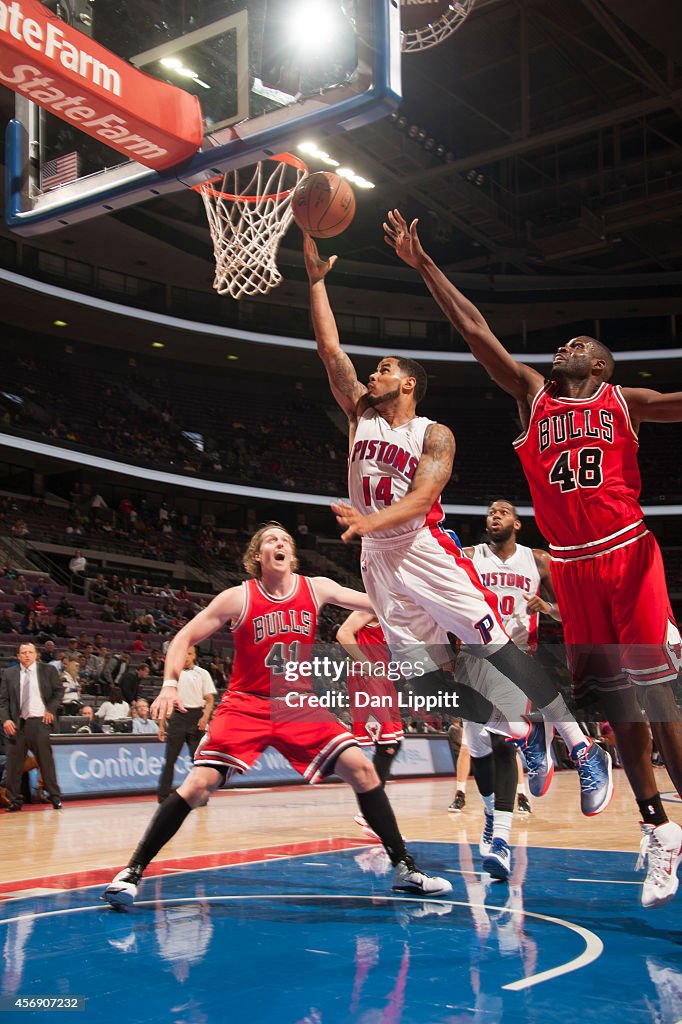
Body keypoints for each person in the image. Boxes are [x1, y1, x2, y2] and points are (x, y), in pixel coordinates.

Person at [384, 207, 682, 908]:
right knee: (618, 710)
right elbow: (475, 330)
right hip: (574, 569)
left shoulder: (624, 400)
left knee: (657, 699)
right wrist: (424, 263)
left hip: (628, 553)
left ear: (599, 364)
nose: (561, 350)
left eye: (575, 344)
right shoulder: (529, 397)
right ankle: (658, 830)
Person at [303, 234, 612, 820]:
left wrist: (370, 519)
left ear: (410, 383)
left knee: (491, 645)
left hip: (422, 549)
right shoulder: (360, 414)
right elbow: (328, 350)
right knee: (423, 687)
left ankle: (581, 745)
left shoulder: (434, 433)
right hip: (377, 561)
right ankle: (517, 730)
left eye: (386, 369)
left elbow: (422, 500)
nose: (374, 374)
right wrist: (317, 279)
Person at [103, 523, 451, 907]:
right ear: (258, 556)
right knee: (198, 785)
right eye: (271, 539)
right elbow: (183, 637)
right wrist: (169, 684)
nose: (280, 542)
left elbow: (376, 603)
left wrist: (421, 594)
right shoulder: (238, 597)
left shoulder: (316, 588)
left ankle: (404, 867)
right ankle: (132, 871)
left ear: (293, 555)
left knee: (364, 770)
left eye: (285, 539)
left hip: (297, 704)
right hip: (246, 703)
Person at [336, 610, 404, 839]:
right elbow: (343, 633)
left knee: (397, 742)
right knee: (387, 745)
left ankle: (369, 812)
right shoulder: (368, 605)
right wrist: (367, 664)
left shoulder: (392, 608)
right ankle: (370, 815)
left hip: (383, 678)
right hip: (368, 677)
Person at [0, 642, 64, 810]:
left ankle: (55, 797)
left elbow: (58, 692)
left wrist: (50, 709)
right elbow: (3, 701)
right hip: (17, 723)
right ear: (18, 656)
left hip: (39, 722)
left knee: (45, 761)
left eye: (30, 652)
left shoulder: (48, 671)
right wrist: (6, 720)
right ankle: (15, 800)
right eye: (23, 652)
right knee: (13, 765)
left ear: (36, 655)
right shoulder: (9, 673)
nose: (27, 655)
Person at [156, 647, 216, 803]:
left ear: (194, 655)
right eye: (184, 654)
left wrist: (204, 718)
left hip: (196, 717)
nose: (186, 657)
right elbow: (165, 699)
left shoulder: (203, 673)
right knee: (170, 759)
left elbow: (209, 699)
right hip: (177, 718)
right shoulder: (173, 675)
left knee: (198, 761)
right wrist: (161, 725)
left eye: (189, 653)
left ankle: (201, 796)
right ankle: (163, 797)